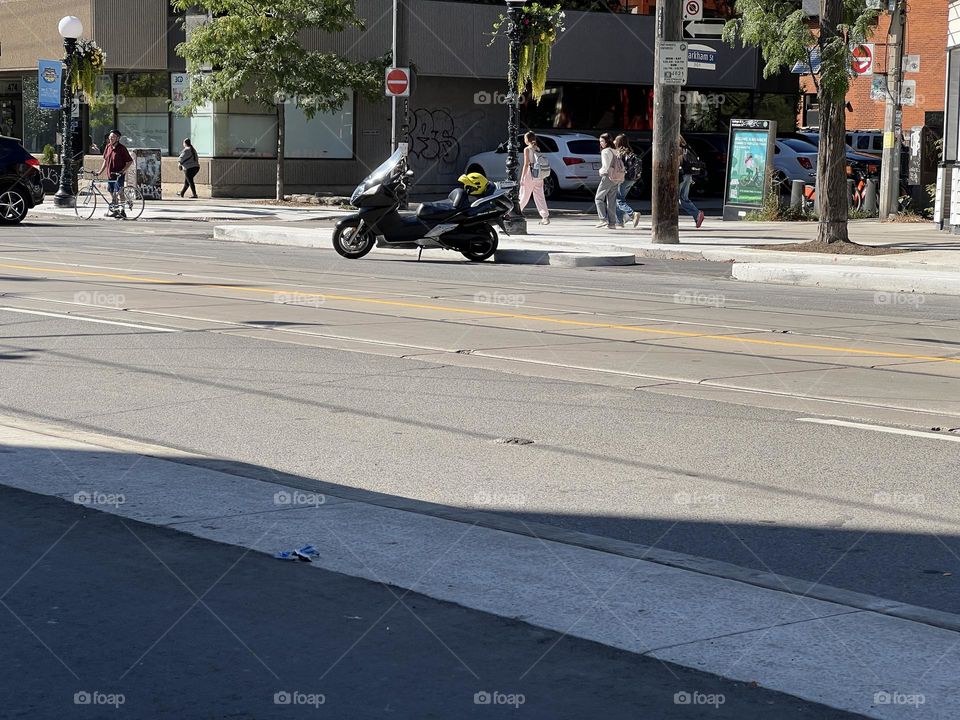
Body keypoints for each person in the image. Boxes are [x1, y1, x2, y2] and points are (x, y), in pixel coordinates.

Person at [96, 130, 133, 219]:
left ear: (118, 138)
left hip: (118, 174)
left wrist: (123, 170)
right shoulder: (108, 147)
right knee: (111, 192)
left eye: (113, 137)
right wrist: (100, 172)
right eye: (110, 137)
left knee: (119, 192)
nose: (111, 139)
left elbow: (130, 161)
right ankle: (116, 210)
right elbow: (105, 160)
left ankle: (123, 211)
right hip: (110, 174)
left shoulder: (122, 148)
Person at [518, 131, 549, 225]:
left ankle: (515, 212)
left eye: (524, 138)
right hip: (539, 175)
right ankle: (545, 217)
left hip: (530, 174)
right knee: (540, 196)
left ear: (527, 139)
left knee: (524, 195)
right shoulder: (537, 148)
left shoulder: (527, 149)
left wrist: (522, 177)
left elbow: (526, 164)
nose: (524, 140)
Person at [594, 132, 622, 229]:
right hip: (616, 177)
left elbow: (605, 166)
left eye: (602, 141)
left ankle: (603, 220)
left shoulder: (605, 151)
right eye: (600, 141)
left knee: (598, 198)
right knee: (611, 200)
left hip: (607, 176)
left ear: (607, 141)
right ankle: (612, 223)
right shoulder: (615, 150)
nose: (600, 143)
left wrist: (600, 171)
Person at [613, 134, 641, 228]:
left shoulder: (619, 153)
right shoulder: (630, 152)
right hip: (632, 179)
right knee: (620, 199)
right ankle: (619, 222)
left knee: (619, 200)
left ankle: (632, 214)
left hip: (623, 179)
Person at [678, 136, 705, 229]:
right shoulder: (687, 148)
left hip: (680, 175)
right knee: (683, 198)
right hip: (689, 174)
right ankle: (697, 215)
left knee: (674, 198)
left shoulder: (677, 149)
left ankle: (697, 213)